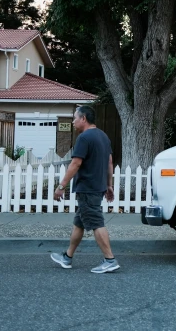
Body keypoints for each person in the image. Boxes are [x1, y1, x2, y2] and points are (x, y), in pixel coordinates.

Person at [51, 105, 119, 273]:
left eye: (75, 118)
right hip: (97, 187)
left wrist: (61, 186)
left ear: (84, 119)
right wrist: (108, 185)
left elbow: (76, 163)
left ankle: (110, 260)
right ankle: (67, 257)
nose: (73, 121)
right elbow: (110, 162)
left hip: (88, 188)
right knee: (79, 223)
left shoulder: (84, 137)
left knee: (96, 223)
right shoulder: (103, 136)